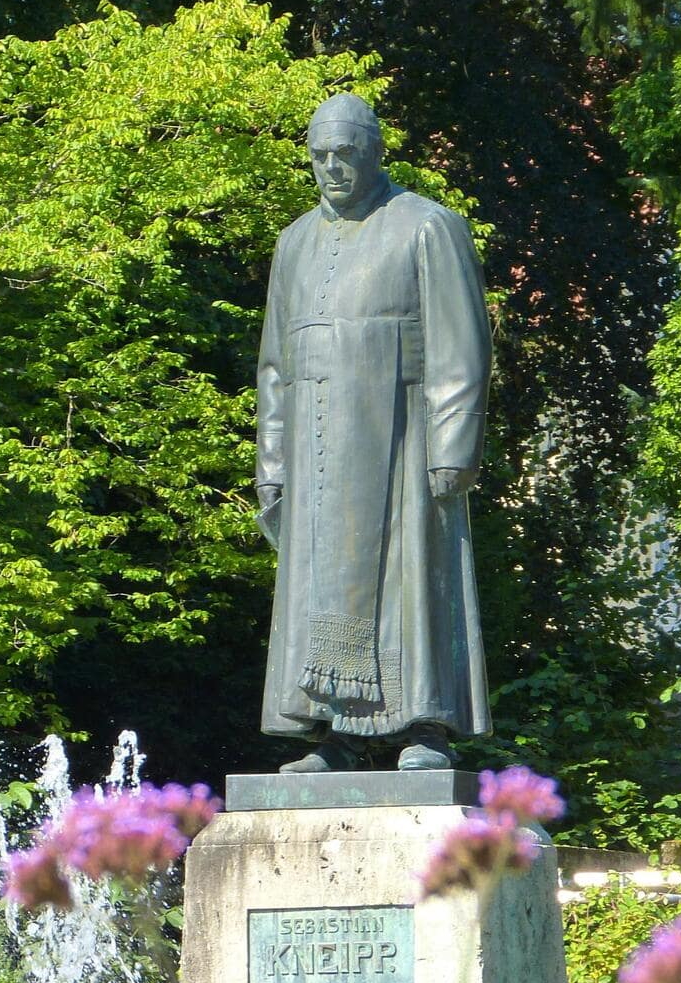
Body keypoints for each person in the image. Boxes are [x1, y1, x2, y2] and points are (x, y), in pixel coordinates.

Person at [255, 92, 493, 774]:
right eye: (319, 157)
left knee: (411, 576)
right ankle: (332, 733)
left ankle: (423, 724)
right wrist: (272, 463)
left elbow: (462, 346)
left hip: (401, 439)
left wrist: (452, 448)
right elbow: (276, 364)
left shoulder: (426, 226)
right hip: (312, 450)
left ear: (374, 152)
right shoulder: (294, 242)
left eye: (346, 155)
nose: (333, 169)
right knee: (314, 586)